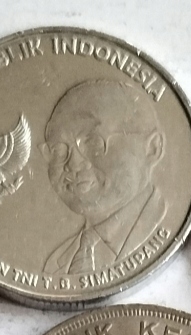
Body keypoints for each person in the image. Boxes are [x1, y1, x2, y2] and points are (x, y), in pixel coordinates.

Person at [42, 80, 167, 277]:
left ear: (152, 148)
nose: (73, 164)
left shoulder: (160, 227)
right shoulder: (56, 263)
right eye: (58, 149)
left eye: (92, 142)